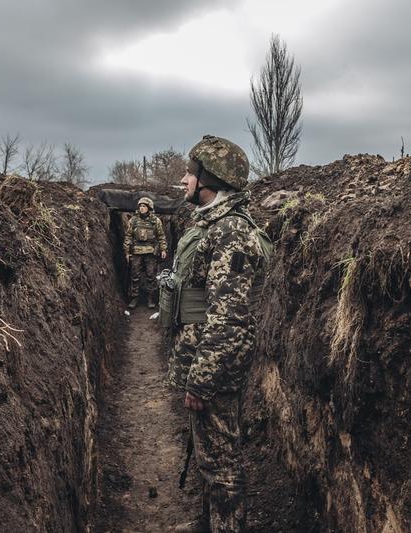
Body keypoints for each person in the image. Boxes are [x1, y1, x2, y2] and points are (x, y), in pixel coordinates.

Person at [166, 135, 264, 533]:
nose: (185, 180)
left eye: (190, 173)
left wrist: (202, 380)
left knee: (222, 466)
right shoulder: (213, 225)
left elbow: (229, 320)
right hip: (204, 361)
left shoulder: (231, 234)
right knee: (209, 457)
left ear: (209, 179)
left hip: (215, 368)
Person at [123, 197, 167, 308]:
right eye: (140, 206)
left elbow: (161, 236)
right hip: (136, 252)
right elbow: (128, 236)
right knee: (135, 276)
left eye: (144, 206)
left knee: (151, 276)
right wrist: (127, 252)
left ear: (149, 208)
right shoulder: (133, 220)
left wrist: (163, 249)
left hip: (150, 253)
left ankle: (151, 298)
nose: (142, 208)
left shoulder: (155, 221)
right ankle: (134, 298)